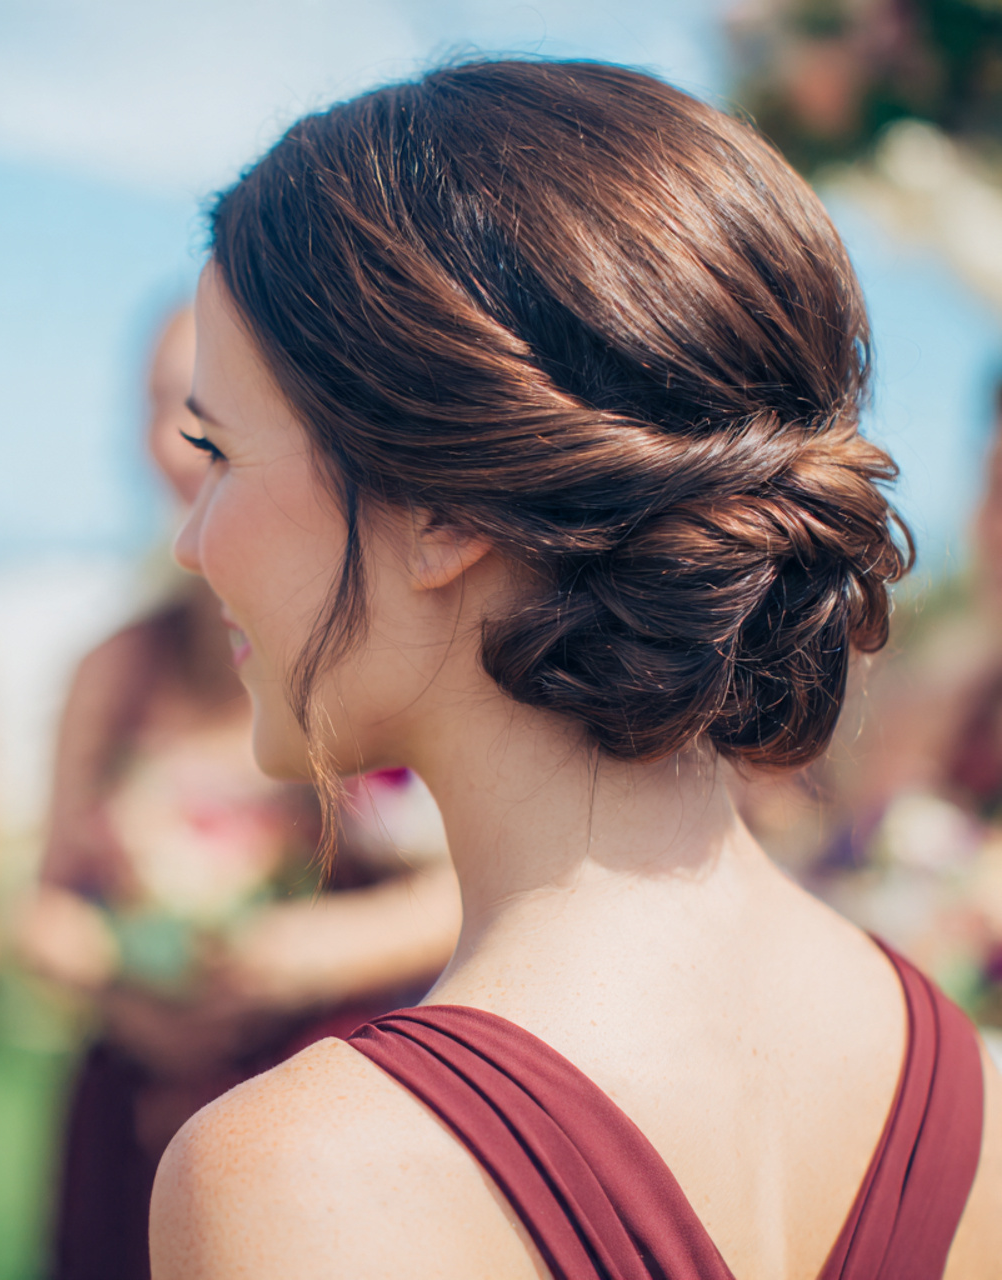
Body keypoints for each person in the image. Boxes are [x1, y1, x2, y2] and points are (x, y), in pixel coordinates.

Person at [149, 61, 1002, 1279]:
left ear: (442, 507)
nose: (191, 537)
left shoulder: (297, 1178)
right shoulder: (964, 1082)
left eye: (219, 450)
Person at [21, 306, 459, 1280]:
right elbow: (43, 905)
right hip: (133, 1104)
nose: (180, 441)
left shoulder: (361, 660)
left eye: (206, 413)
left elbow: (473, 883)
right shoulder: (114, 667)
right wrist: (128, 980)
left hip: (325, 1085)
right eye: (156, 406)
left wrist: (305, 953)